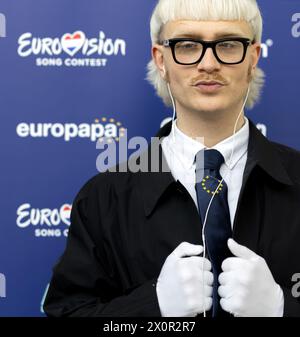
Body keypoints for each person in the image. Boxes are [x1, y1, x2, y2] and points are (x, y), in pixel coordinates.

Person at [44, 0, 300, 317]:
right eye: (188, 45)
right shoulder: (104, 198)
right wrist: (154, 306)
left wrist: (281, 310)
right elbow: (66, 312)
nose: (208, 63)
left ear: (253, 59)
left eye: (229, 44)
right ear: (161, 60)